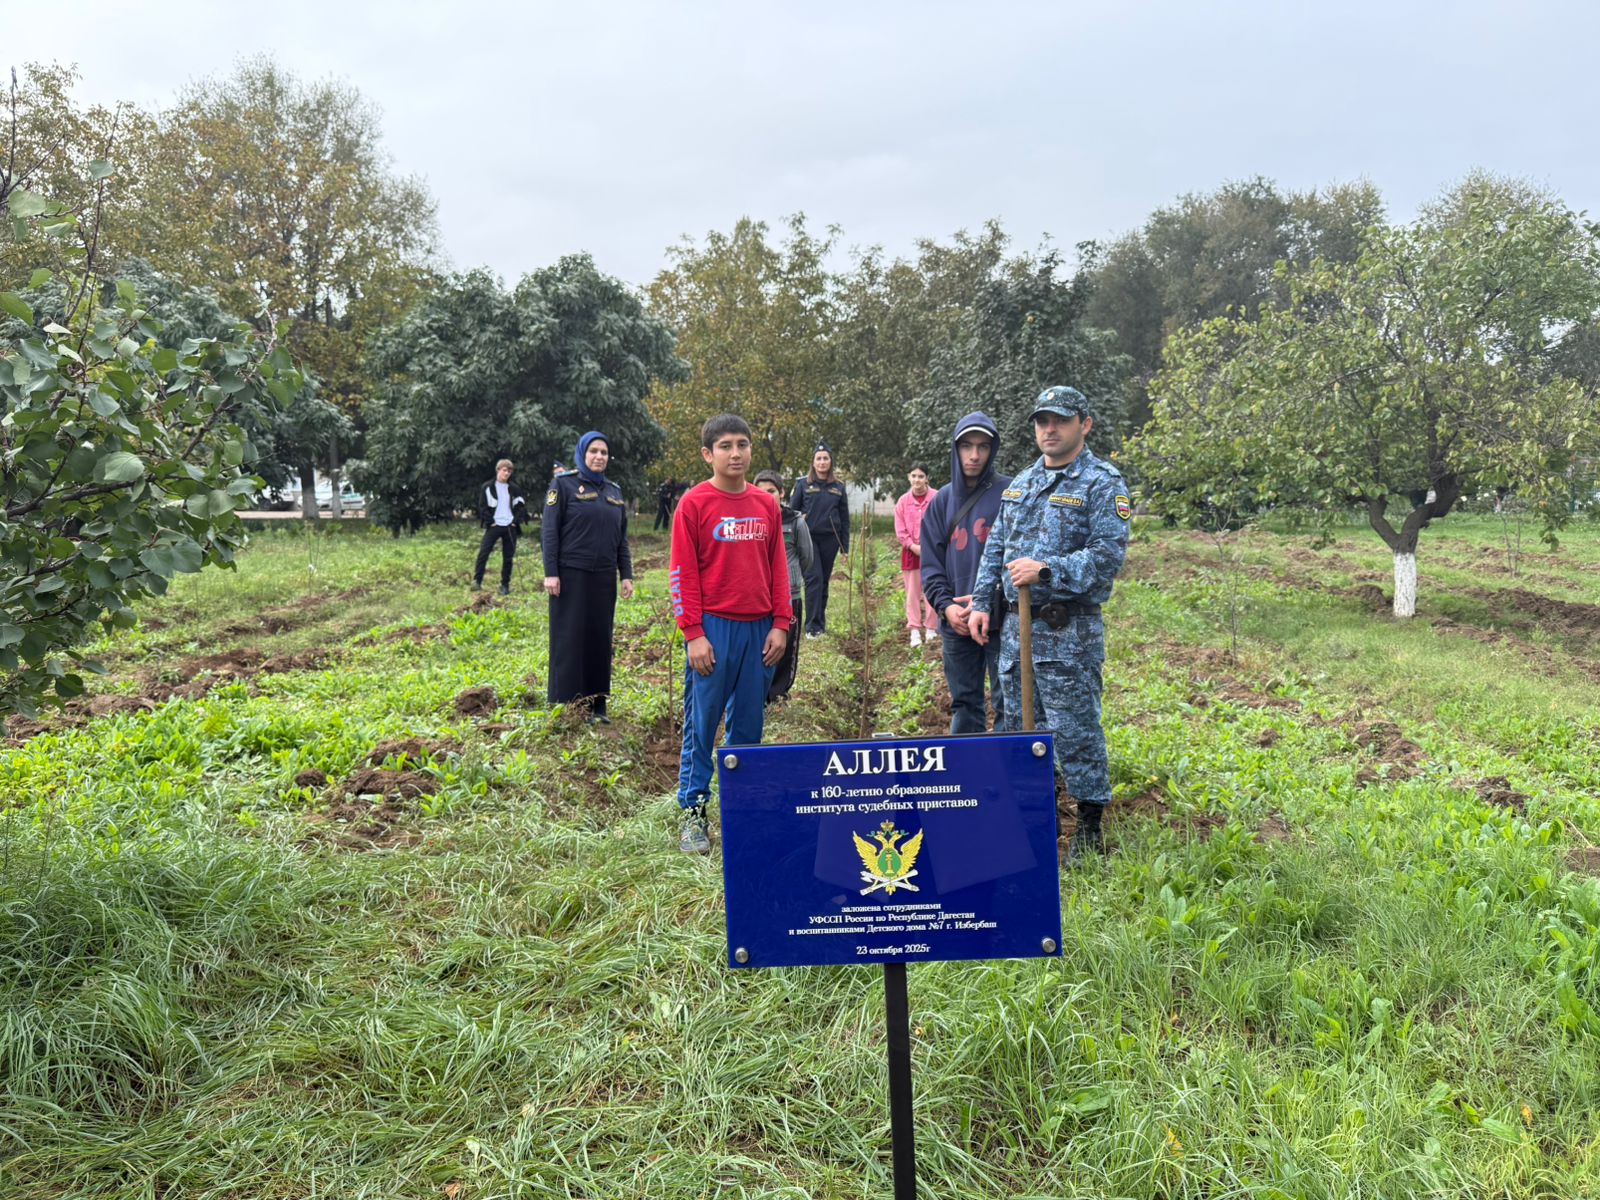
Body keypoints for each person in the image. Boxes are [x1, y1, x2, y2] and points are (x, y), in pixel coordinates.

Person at [969, 387, 1131, 863]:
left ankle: (1088, 824)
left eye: (1059, 420)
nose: (1049, 430)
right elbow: (996, 546)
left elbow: (1107, 557)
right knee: (1017, 726)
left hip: (1068, 633)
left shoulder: (1102, 483)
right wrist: (982, 601)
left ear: (1085, 424)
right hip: (1017, 632)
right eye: (1042, 421)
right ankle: (1026, 817)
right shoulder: (1022, 483)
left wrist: (1047, 572)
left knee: (1075, 727)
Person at [670, 415, 792, 854]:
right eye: (725, 446)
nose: (735, 453)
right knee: (702, 727)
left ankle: (742, 815)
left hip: (759, 631)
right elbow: (681, 573)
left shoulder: (766, 505)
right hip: (714, 632)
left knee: (748, 729)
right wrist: (693, 633)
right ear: (708, 454)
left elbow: (778, 567)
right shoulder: (694, 504)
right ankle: (693, 817)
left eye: (742, 444)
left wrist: (781, 623)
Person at [920, 413, 1009, 735]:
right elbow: (931, 566)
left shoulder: (1010, 495)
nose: (974, 455)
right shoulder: (941, 502)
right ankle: (968, 775)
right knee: (964, 702)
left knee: (1008, 702)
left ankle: (1005, 774)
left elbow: (1021, 558)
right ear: (956, 450)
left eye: (983, 447)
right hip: (956, 620)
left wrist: (993, 600)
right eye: (967, 446)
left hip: (1004, 620)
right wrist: (947, 607)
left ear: (992, 449)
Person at [542, 431, 635, 723]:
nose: (599, 456)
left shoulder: (614, 491)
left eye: (604, 452)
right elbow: (549, 532)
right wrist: (551, 573)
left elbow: (622, 539)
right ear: (583, 453)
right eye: (593, 451)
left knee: (599, 637)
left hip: (604, 577)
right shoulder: (563, 485)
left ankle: (598, 703)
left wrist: (626, 575)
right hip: (571, 574)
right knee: (569, 638)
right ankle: (566, 703)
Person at [753, 469, 813, 702]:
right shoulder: (750, 522)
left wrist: (792, 577)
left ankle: (778, 692)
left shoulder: (794, 521)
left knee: (786, 645)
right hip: (759, 596)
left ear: (782, 493)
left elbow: (807, 557)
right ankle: (759, 692)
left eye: (771, 491)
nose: (766, 496)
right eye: (761, 491)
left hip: (790, 594)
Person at [790, 442, 849, 639]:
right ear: (813, 463)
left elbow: (845, 518)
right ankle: (811, 628)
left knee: (823, 581)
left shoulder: (839, 487)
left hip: (831, 540)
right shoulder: (803, 484)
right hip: (808, 538)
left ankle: (820, 624)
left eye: (825, 458)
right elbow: (792, 512)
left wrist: (844, 548)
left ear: (830, 462)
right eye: (819, 459)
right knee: (813, 579)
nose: (822, 462)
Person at [893, 463, 939, 647]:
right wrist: (912, 546)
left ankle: (931, 627)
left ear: (927, 478)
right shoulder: (903, 501)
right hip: (911, 552)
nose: (917, 480)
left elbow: (942, 523)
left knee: (932, 589)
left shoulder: (937, 498)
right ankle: (914, 629)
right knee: (912, 592)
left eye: (921, 476)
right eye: (914, 476)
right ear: (909, 477)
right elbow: (900, 529)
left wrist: (930, 545)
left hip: (933, 552)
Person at [473, 459, 528, 595]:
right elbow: (482, 506)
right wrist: (490, 521)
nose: (507, 473)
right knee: (483, 553)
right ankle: (477, 581)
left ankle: (505, 585)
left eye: (509, 471)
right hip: (494, 526)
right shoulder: (487, 487)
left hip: (510, 526)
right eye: (504, 470)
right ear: (498, 470)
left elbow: (521, 506)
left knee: (508, 557)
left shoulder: (514, 488)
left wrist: (515, 521)